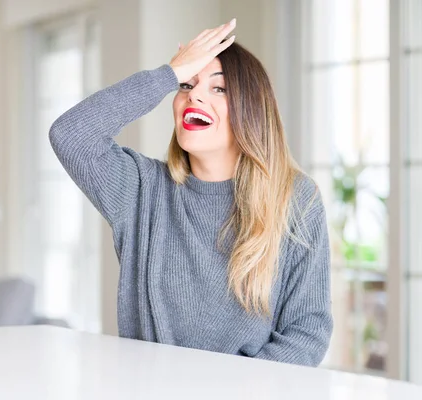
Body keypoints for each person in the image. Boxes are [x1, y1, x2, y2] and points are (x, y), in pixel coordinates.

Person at [49, 19, 332, 367]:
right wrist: (168, 74)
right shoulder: (141, 190)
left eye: (219, 88)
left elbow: (307, 330)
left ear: (252, 109)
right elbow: (70, 135)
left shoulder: (297, 199)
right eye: (186, 84)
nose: (193, 95)